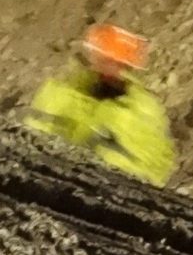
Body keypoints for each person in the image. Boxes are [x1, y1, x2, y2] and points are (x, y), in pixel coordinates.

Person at [24, 23, 175, 186]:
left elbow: (152, 168)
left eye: (114, 62)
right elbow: (33, 135)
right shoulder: (61, 93)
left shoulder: (141, 110)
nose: (108, 68)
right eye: (102, 59)